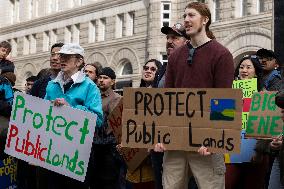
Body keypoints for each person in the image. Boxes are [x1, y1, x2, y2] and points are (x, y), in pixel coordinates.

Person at [155, 2, 234, 189]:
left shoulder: (221, 54)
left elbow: (224, 100)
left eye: (191, 15)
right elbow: (168, 98)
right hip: (175, 141)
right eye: (185, 16)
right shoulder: (174, 57)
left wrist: (215, 139)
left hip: (206, 142)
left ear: (205, 20)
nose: (186, 20)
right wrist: (161, 134)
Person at [44, 43, 103, 189]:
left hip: (78, 155)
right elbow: (42, 115)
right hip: (53, 152)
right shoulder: (52, 85)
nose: (61, 59)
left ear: (79, 61)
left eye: (67, 57)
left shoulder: (90, 87)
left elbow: (98, 120)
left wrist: (71, 108)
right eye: (61, 56)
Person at [152, 23, 189, 189]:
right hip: (162, 140)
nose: (169, 41)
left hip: (188, 140)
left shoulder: (191, 65)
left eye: (175, 37)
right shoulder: (164, 69)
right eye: (167, 37)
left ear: (187, 41)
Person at [225, 55, 266, 189]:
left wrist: (259, 151)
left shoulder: (264, 95)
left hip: (255, 153)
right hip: (231, 152)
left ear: (256, 72)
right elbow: (222, 121)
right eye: (241, 67)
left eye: (249, 67)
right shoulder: (229, 92)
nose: (244, 70)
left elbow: (266, 127)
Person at [125, 59, 162, 189]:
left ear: (159, 73)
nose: (148, 71)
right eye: (146, 68)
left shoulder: (162, 96)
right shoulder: (133, 95)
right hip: (135, 156)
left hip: (153, 156)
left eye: (153, 69)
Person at [88, 67, 123, 189]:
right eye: (100, 77)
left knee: (108, 181)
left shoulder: (116, 98)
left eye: (105, 78)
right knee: (94, 181)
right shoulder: (92, 95)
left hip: (108, 147)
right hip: (92, 145)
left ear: (113, 81)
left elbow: (112, 125)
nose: (101, 80)